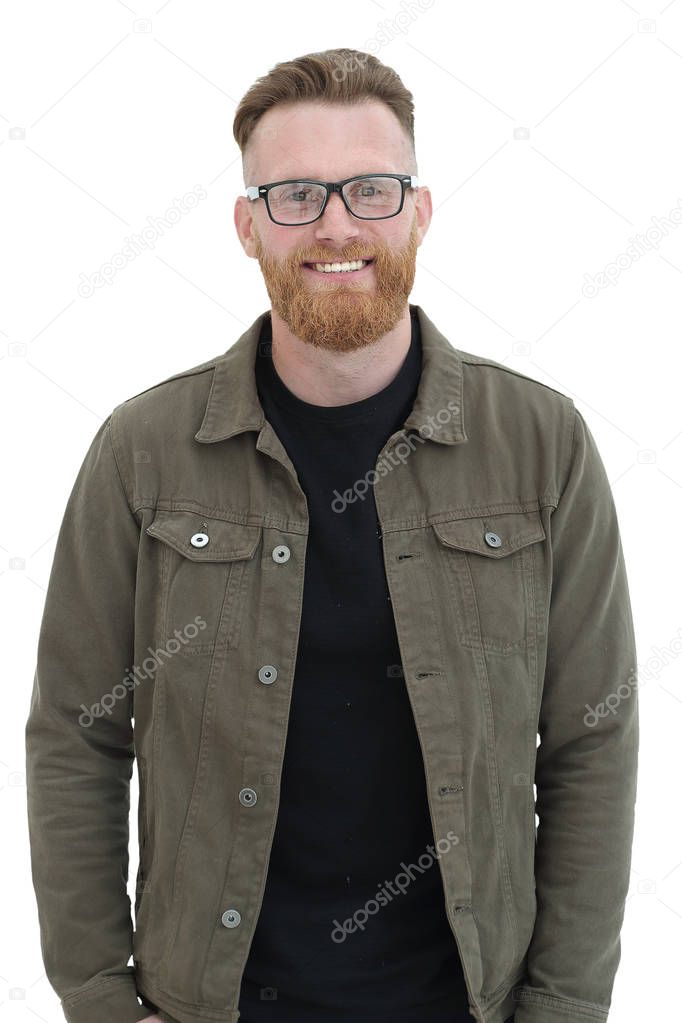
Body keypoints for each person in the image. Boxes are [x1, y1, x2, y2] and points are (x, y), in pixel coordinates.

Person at [25, 47, 638, 1023]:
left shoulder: (541, 444)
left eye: (371, 189)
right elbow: (76, 735)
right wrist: (100, 1003)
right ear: (248, 224)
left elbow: (589, 744)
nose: (338, 224)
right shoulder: (143, 451)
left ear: (419, 211)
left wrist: (564, 1009)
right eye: (297, 194)